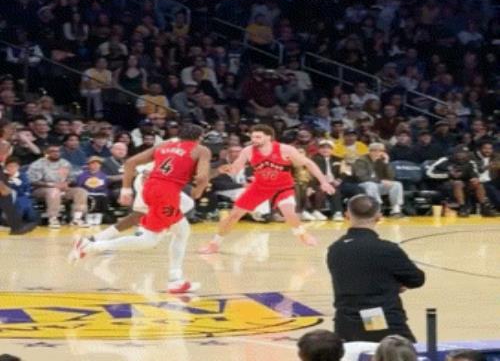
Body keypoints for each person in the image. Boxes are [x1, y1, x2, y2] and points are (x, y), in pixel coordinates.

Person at [69, 124, 211, 294]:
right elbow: (202, 177)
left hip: (149, 187)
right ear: (199, 137)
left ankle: (175, 279)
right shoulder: (201, 150)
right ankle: (89, 247)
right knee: (149, 240)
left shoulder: (164, 145)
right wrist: (198, 191)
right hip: (166, 192)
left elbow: (130, 162)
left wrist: (126, 190)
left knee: (182, 231)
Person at [199, 124, 335, 254]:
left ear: (269, 137)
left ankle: (301, 233)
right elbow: (236, 168)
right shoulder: (248, 151)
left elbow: (309, 164)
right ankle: (214, 243)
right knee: (233, 216)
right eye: (253, 137)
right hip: (259, 187)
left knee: (289, 213)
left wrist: (323, 182)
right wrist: (227, 169)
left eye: (258, 137)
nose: (254, 140)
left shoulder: (285, 149)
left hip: (283, 187)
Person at [327, 194, 425, 342]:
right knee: (397, 352)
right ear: (379, 216)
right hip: (377, 319)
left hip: (345, 323)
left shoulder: (335, 249)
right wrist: (394, 284)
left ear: (347, 215)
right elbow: (417, 279)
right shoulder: (386, 249)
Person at [28, 144, 89, 228]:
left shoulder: (65, 163)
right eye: (53, 151)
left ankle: (77, 219)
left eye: (58, 151)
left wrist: (67, 183)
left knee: (81, 192)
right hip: (42, 189)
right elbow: (32, 181)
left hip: (63, 188)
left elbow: (72, 178)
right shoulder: (38, 164)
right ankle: (53, 218)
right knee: (54, 191)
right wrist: (52, 185)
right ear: (46, 153)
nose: (56, 153)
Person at [353, 143, 404, 217]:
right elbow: (362, 177)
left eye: (381, 151)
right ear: (369, 151)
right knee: (371, 185)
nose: (378, 153)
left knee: (397, 184)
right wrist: (380, 181)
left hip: (378, 184)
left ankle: (395, 209)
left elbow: (391, 177)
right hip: (362, 185)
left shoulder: (381, 160)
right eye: (375, 150)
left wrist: (386, 163)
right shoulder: (361, 160)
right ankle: (376, 208)